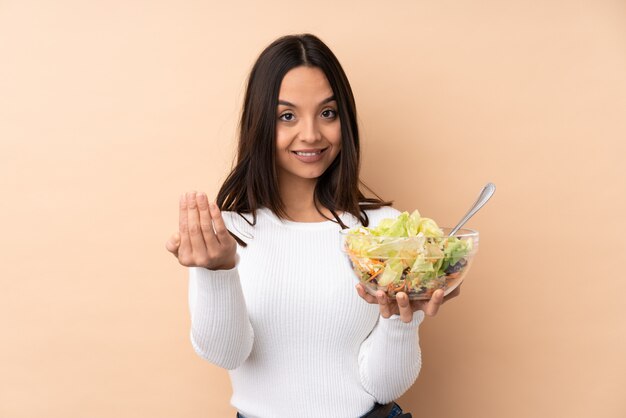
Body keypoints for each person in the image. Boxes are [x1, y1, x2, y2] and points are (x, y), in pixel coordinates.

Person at [165, 33, 459, 418]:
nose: (311, 134)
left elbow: (384, 386)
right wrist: (216, 271)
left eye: (327, 113)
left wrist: (402, 318)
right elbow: (226, 353)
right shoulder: (228, 234)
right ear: (260, 124)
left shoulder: (383, 234)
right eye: (287, 116)